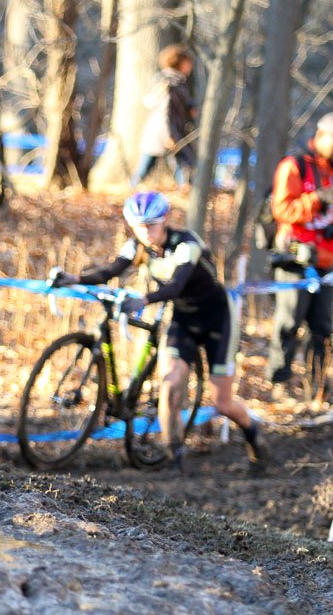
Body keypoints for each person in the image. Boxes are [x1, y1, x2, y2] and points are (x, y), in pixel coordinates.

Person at [53, 190, 264, 469]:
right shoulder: (137, 246)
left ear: (164, 221)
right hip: (184, 320)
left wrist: (143, 300)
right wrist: (73, 279)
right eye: (140, 227)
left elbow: (177, 285)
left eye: (152, 224)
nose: (147, 232)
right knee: (170, 383)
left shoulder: (186, 244)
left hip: (217, 319)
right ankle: (172, 454)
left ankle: (253, 433)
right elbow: (110, 271)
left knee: (222, 402)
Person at [264, 112, 333, 384]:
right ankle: (278, 382)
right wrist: (317, 199)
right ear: (321, 136)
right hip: (296, 256)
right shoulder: (294, 165)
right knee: (288, 323)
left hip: (326, 257)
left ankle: (316, 387)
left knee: (322, 327)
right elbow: (282, 209)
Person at [131, 44, 197, 189]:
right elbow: (164, 111)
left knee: (179, 164)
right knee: (149, 165)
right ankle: (132, 191)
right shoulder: (169, 83)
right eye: (188, 63)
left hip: (166, 131)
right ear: (179, 63)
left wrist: (190, 108)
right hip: (164, 131)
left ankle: (185, 190)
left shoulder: (176, 82)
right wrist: (169, 135)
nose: (190, 68)